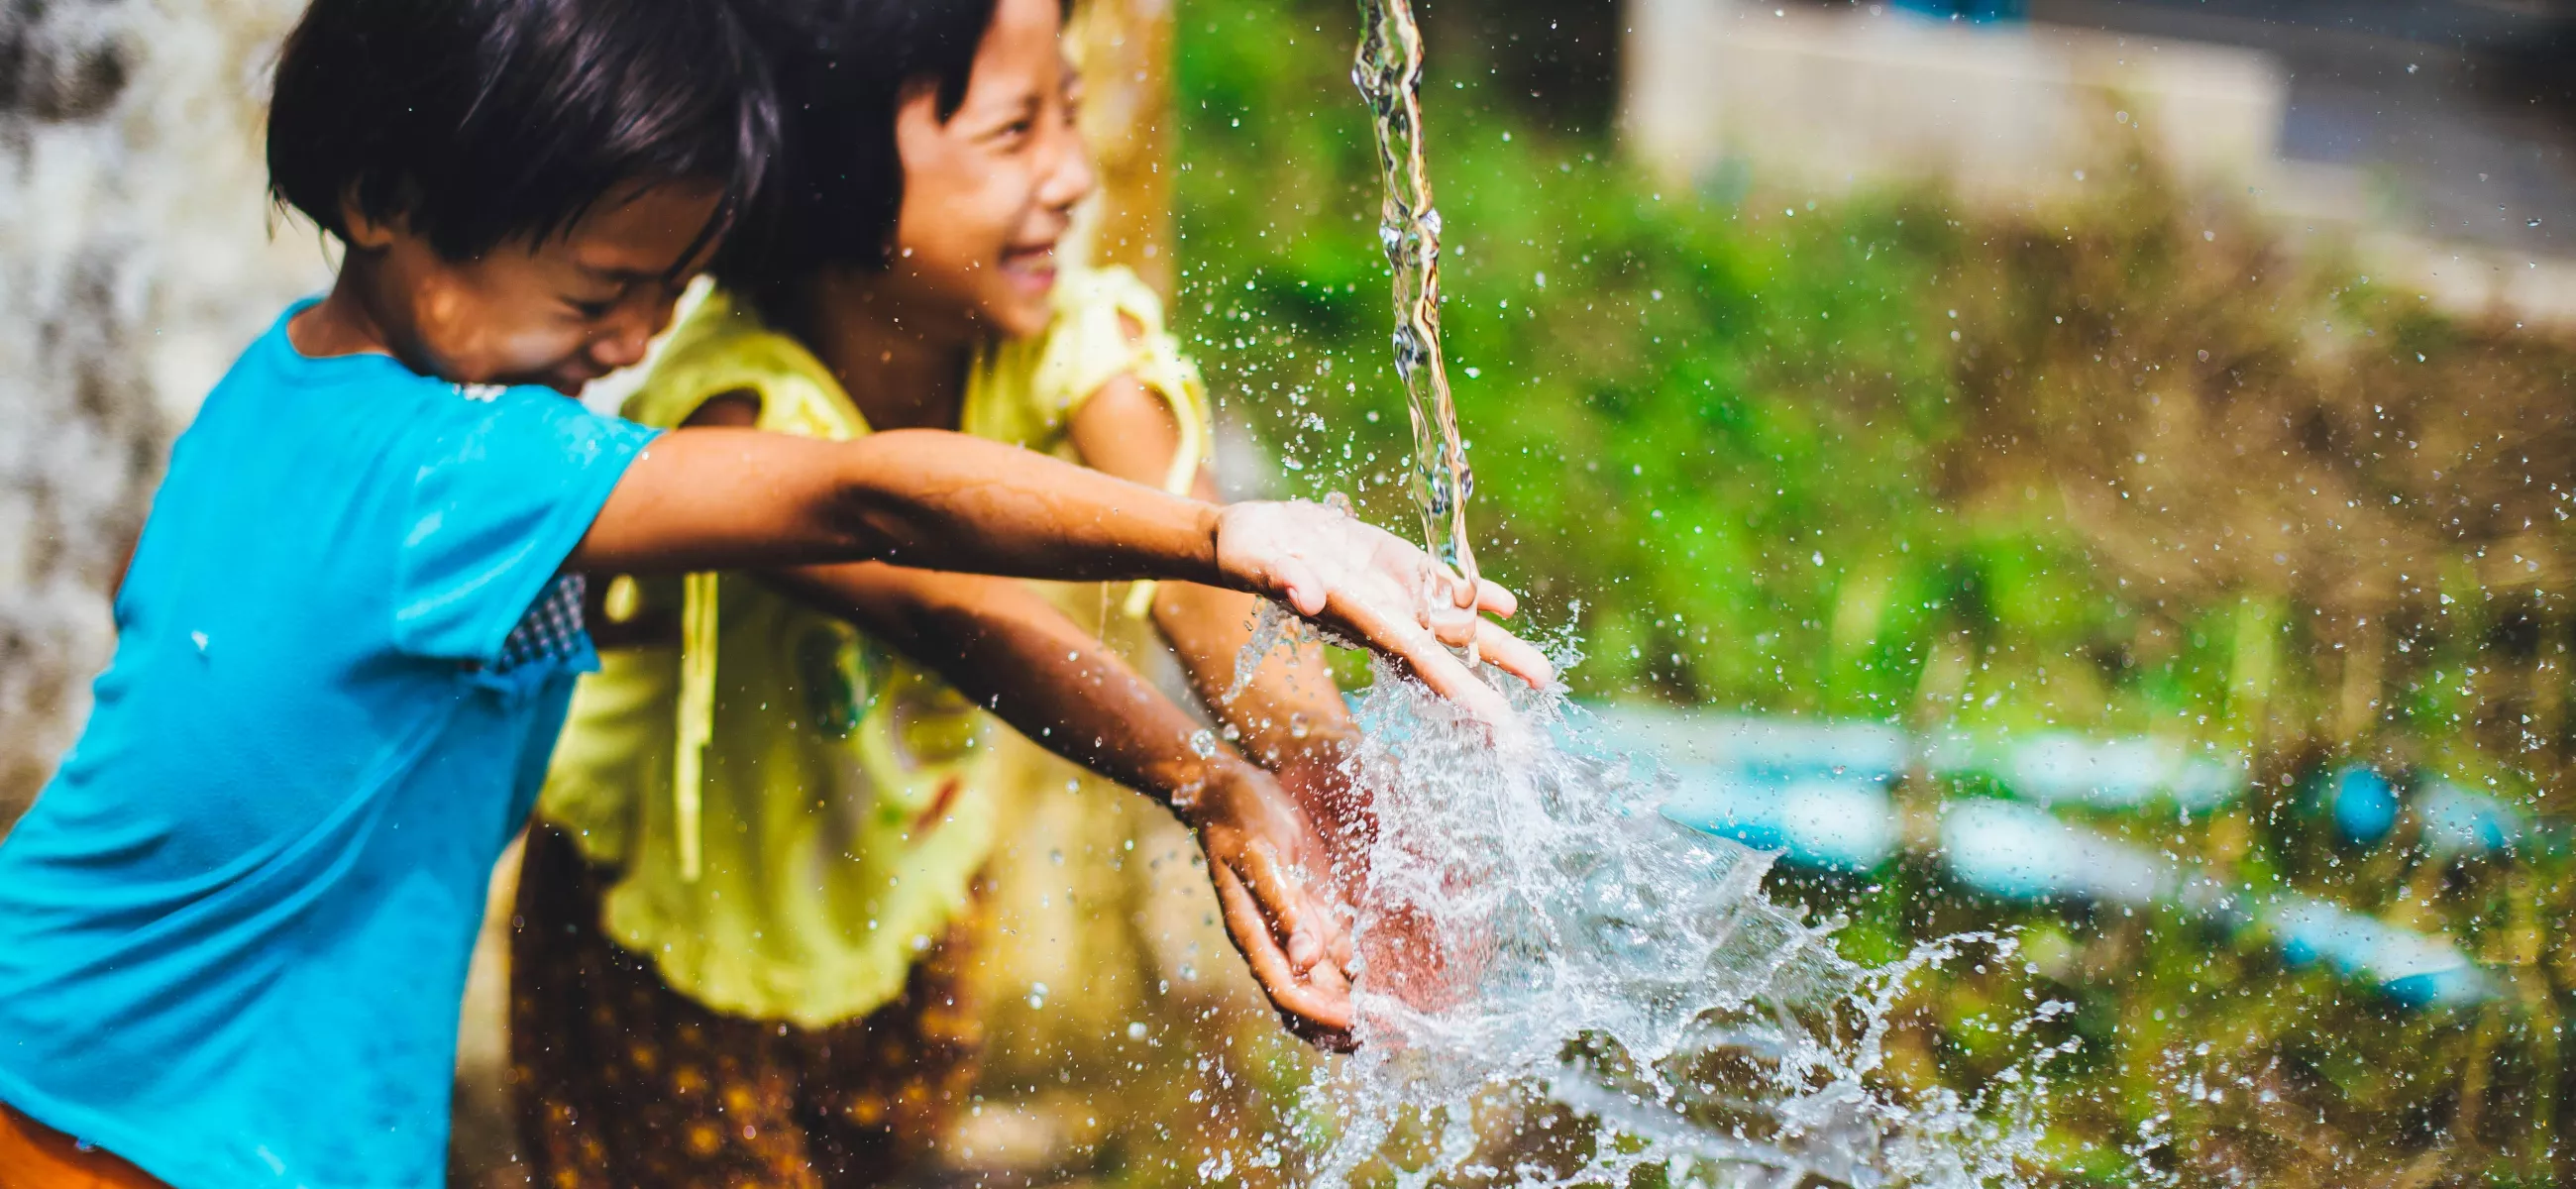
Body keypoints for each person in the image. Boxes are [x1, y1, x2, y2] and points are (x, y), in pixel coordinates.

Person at [0, 0, 1547, 1185]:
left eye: (673, 287)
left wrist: (1254, 768)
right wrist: (1219, 542)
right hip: (134, 1118)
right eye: (604, 294)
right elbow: (863, 498)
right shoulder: (466, 464)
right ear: (388, 193)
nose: (633, 345)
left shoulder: (288, 379)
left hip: (149, 1066)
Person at [506, 0, 1408, 1181]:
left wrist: (1325, 770)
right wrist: (1201, 777)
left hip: (908, 886)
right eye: (1013, 132)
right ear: (831, 167)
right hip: (666, 938)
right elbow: (946, 609)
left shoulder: (1052, 335)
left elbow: (1207, 585)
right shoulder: (732, 407)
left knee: (888, 1162)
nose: (1072, 176)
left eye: (1072, 115)